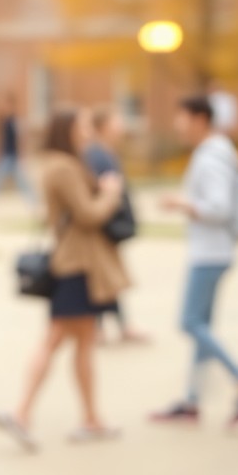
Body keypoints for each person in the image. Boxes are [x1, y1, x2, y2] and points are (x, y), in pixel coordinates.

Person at [0, 107, 128, 452]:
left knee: (80, 342)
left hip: (75, 263)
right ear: (67, 129)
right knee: (56, 339)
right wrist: (110, 192)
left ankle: (89, 418)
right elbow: (88, 214)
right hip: (77, 264)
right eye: (82, 125)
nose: (87, 130)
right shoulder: (64, 167)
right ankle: (22, 413)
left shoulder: (58, 164)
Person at [152, 95, 238, 427]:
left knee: (189, 322)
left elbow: (219, 208)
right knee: (202, 327)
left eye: (182, 117)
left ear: (200, 118)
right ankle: (192, 401)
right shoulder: (216, 152)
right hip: (215, 251)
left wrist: (181, 203)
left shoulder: (211, 156)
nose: (177, 125)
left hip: (210, 253)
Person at [83, 107, 148, 345]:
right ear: (103, 126)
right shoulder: (97, 154)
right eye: (116, 122)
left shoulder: (105, 152)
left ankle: (116, 327)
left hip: (108, 222)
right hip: (105, 223)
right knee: (104, 278)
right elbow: (103, 190)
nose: (121, 127)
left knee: (108, 278)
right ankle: (105, 328)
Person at [0, 92, 38, 214]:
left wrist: (22, 156)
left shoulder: (15, 121)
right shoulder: (1, 122)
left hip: (13, 157)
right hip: (5, 156)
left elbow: (21, 139)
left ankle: (34, 204)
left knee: (23, 183)